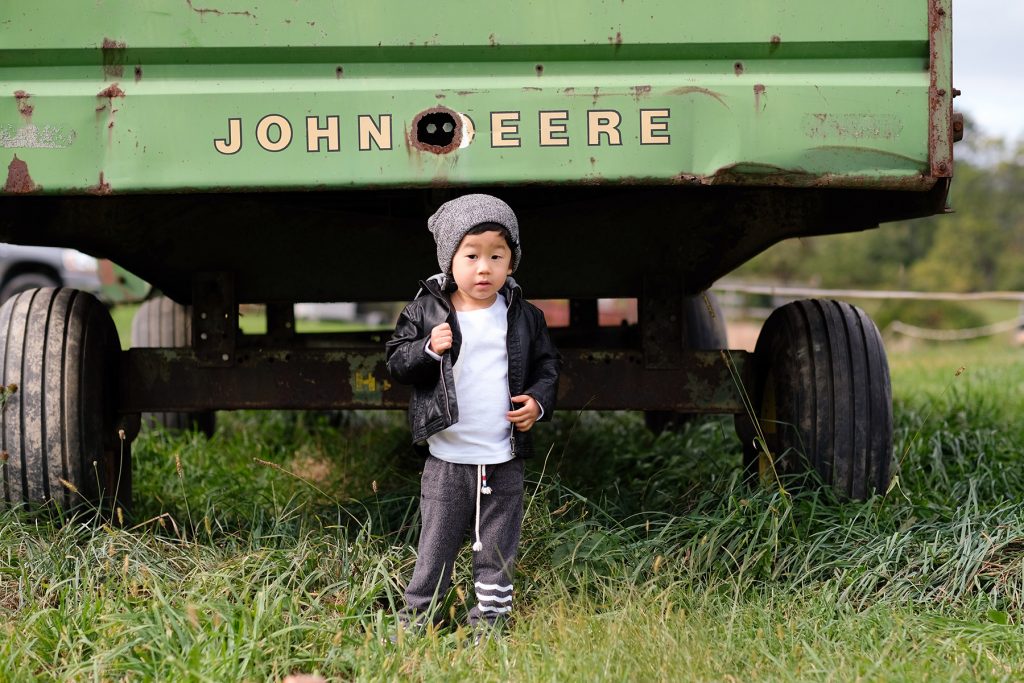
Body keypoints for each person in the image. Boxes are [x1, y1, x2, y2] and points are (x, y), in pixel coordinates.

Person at [385, 193, 560, 634]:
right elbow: (396, 362)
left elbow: (547, 366)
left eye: (497, 256)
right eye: (471, 255)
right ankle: (418, 615)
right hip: (448, 457)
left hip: (503, 455)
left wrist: (537, 404)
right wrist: (427, 348)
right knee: (436, 542)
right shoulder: (425, 312)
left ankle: (490, 620)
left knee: (498, 545)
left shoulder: (524, 316)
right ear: (449, 261)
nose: (484, 268)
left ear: (511, 264)